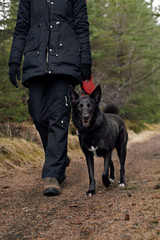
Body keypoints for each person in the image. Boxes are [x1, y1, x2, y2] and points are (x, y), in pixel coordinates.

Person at [8, 0, 92, 196]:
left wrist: (86, 61)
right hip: (35, 63)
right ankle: (59, 156)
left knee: (59, 116)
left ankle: (52, 174)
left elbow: (81, 27)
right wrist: (14, 60)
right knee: (38, 114)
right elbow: (21, 28)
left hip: (65, 64)